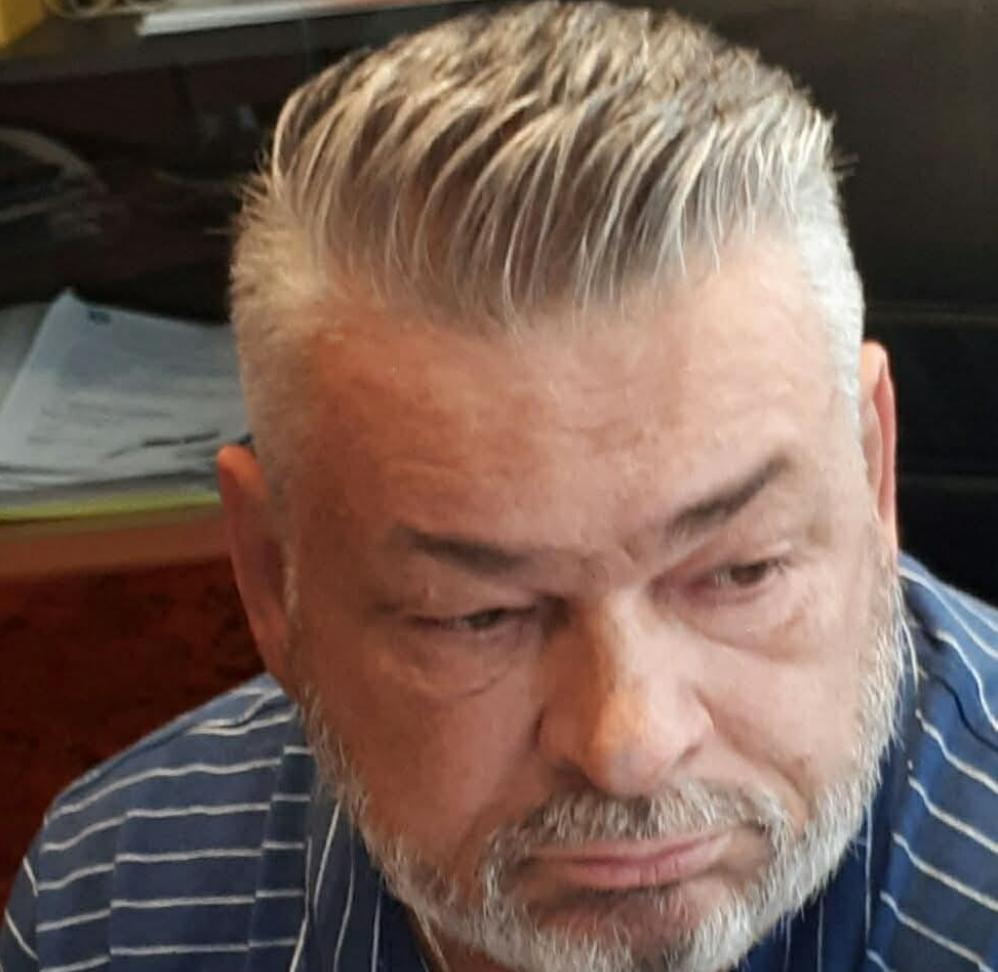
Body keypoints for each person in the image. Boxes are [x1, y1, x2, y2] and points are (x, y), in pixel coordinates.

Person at [3, 3, 996, 970]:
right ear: (272, 578)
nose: (629, 746)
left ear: (871, 473)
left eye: (742, 572)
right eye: (473, 616)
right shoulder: (109, 914)